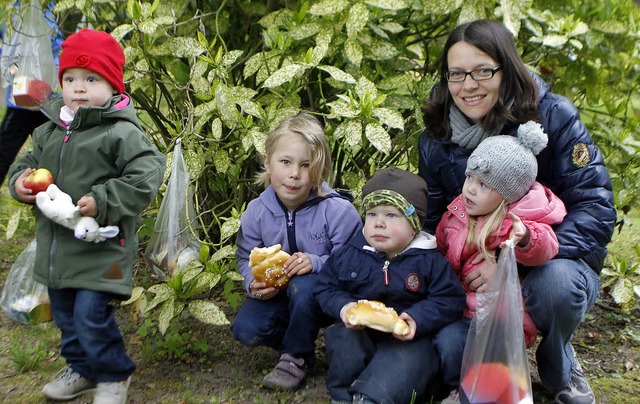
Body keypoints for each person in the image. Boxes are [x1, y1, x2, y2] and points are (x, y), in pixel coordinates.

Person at [418, 19, 616, 404]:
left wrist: (508, 264)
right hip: (472, 264)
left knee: (554, 287)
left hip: (553, 260)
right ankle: (491, 361)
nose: (468, 85)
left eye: (482, 70)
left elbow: (596, 208)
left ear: (505, 68)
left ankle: (559, 360)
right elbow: (434, 217)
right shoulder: (437, 135)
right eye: (456, 74)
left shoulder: (553, 115)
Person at [7, 28, 166, 403]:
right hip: (59, 248)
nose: (79, 88)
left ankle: (114, 374)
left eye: (91, 79)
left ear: (112, 85)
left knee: (91, 315)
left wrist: (103, 199)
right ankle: (82, 369)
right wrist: (21, 184)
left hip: (103, 246)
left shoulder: (119, 132)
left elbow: (147, 173)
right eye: (71, 79)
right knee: (66, 318)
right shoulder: (49, 131)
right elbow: (27, 166)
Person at [434, 121, 568, 398]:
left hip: (498, 321)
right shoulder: (456, 214)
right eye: (470, 177)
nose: (470, 189)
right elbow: (441, 248)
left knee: (484, 365)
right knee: (447, 346)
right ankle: (456, 387)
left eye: (483, 184)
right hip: (459, 309)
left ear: (507, 195)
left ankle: (474, 391)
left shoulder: (513, 222)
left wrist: (525, 238)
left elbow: (546, 245)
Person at [231, 111, 362, 391]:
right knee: (245, 329)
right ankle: (299, 340)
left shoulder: (338, 211)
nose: (294, 174)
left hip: (328, 297)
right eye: (286, 162)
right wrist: (252, 284)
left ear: (321, 171)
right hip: (281, 297)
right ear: (268, 163)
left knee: (303, 285)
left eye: (306, 165)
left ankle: (296, 358)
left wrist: (316, 262)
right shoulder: (256, 212)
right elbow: (245, 257)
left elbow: (353, 264)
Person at [314, 167, 466, 404]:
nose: (379, 224)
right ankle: (343, 394)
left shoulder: (429, 260)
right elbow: (325, 286)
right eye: (372, 214)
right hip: (362, 332)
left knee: (404, 362)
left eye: (391, 215)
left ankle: (372, 396)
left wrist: (417, 318)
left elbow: (449, 299)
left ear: (414, 223)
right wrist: (345, 307)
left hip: (408, 340)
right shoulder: (351, 253)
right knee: (343, 336)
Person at [0, 1, 63, 186]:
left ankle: (55, 191)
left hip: (47, 96)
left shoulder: (55, 11)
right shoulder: (17, 10)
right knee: (5, 149)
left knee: (54, 151)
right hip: (24, 96)